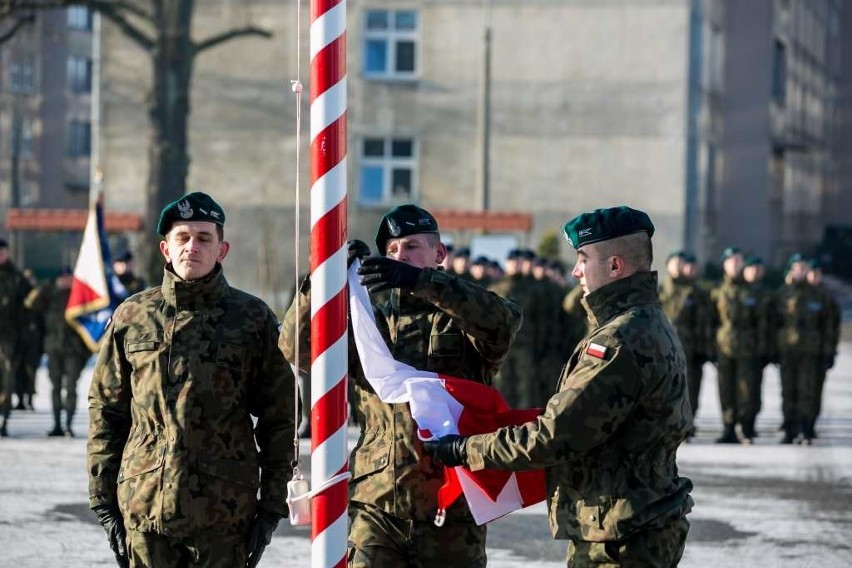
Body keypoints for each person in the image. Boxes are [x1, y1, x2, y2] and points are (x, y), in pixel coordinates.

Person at [425, 206, 694, 567]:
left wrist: (463, 449)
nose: (575, 271)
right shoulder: (645, 321)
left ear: (615, 266)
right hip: (640, 522)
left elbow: (554, 436)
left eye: (583, 259)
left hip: (620, 538)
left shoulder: (618, 342)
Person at [280, 203, 522, 567]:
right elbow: (297, 348)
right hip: (378, 502)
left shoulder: (464, 312)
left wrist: (421, 282)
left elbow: (502, 323)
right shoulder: (367, 320)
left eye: (410, 246)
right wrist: (321, 281)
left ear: (438, 253)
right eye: (391, 250)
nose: (399, 255)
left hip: (450, 502)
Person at [87, 192, 298, 568]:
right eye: (182, 238)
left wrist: (270, 507)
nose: (192, 247)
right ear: (165, 249)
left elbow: (280, 418)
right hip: (145, 507)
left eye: (204, 238)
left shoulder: (252, 320)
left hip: (224, 513)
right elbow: (106, 412)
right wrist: (103, 501)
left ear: (222, 249)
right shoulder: (133, 316)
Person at [773, 254, 835, 444]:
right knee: (788, 390)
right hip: (788, 350)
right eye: (797, 268)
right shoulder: (782, 294)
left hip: (812, 351)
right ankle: (790, 428)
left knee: (807, 391)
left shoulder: (819, 296)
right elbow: (773, 324)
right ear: (791, 270)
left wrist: (828, 352)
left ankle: (806, 428)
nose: (800, 271)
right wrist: (772, 349)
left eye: (803, 268)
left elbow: (828, 327)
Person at [25, 266, 92, 437]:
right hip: (53, 348)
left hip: (73, 350)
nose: (65, 281)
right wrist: (44, 288)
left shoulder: (79, 297)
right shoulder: (49, 295)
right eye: (62, 278)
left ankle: (68, 424)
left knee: (71, 387)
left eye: (68, 278)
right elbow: (31, 307)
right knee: (55, 387)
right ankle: (56, 425)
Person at [710, 246, 764, 444]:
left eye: (738, 260)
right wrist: (709, 347)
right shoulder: (717, 292)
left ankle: (747, 427)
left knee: (746, 389)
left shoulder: (751, 291)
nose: (735, 264)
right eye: (731, 261)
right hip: (723, 347)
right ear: (724, 264)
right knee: (726, 389)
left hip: (748, 348)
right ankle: (728, 427)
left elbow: (762, 323)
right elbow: (710, 322)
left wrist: (763, 349)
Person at [659, 251, 714, 437]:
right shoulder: (659, 290)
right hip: (664, 349)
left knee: (690, 387)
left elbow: (704, 322)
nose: (679, 266)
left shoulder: (693, 291)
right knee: (665, 388)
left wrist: (705, 347)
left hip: (690, 348)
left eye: (681, 263)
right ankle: (668, 424)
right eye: (676, 263)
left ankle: (687, 423)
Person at [0, 238, 34, 437]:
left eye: (2, 252)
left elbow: (29, 306)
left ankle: (3, 419)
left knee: (6, 379)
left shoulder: (17, 277)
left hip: (10, 338)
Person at [805, 259, 841, 439]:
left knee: (815, 390)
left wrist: (830, 352)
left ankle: (810, 423)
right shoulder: (798, 295)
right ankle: (796, 423)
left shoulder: (827, 299)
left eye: (816, 273)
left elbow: (832, 329)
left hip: (818, 351)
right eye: (810, 273)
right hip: (799, 352)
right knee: (796, 389)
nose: (813, 276)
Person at [13, 268, 43, 411]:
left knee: (31, 371)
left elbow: (42, 320)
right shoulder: (17, 296)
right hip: (19, 340)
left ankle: (29, 399)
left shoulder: (38, 296)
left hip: (33, 341)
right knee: (18, 371)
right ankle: (19, 399)